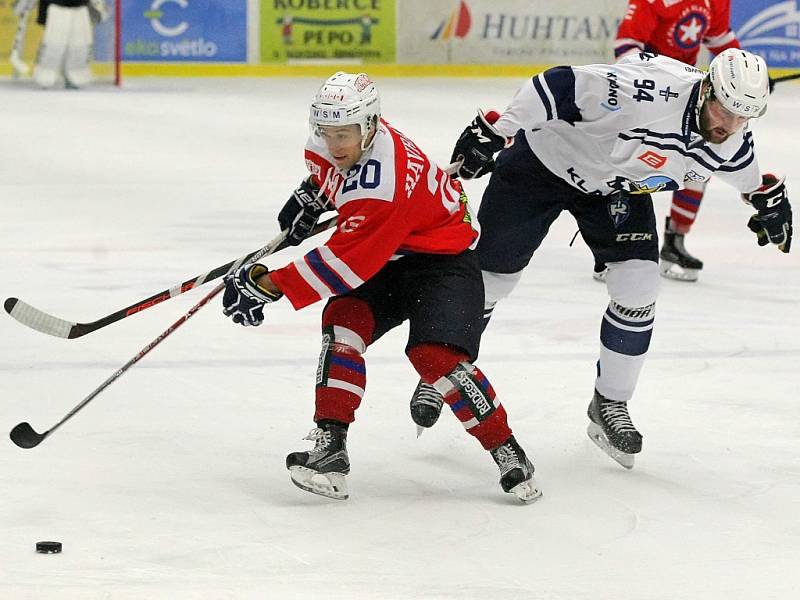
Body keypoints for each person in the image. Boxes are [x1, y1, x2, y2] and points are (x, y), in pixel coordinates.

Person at [409, 49, 792, 468]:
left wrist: (766, 200)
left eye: (744, 117)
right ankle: (444, 366)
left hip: (613, 192)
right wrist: (498, 131)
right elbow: (554, 84)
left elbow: (749, 177)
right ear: (705, 90)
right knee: (491, 281)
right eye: (725, 110)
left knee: (640, 285)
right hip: (542, 163)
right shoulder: (644, 93)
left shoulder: (732, 135)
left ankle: (609, 404)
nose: (730, 126)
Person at [221, 72, 541, 504]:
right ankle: (330, 450)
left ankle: (508, 451)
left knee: (435, 358)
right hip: (388, 255)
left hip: (442, 262)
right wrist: (313, 194)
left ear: (370, 125)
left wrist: (268, 283)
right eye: (327, 132)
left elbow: (345, 263)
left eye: (345, 134)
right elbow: (334, 182)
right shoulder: (333, 146)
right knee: (343, 328)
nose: (335, 145)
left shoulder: (383, 185)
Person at [599, 0, 743, 281]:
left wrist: (744, 78)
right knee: (628, 166)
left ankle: (675, 241)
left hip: (688, 98)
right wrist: (651, 82)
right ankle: (610, 246)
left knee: (700, 162)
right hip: (646, 92)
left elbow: (721, 40)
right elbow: (627, 45)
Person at [33, 0, 108, 89]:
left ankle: (76, 75)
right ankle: (46, 74)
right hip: (56, 7)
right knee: (54, 44)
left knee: (79, 44)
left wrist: (98, 4)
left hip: (80, 8)